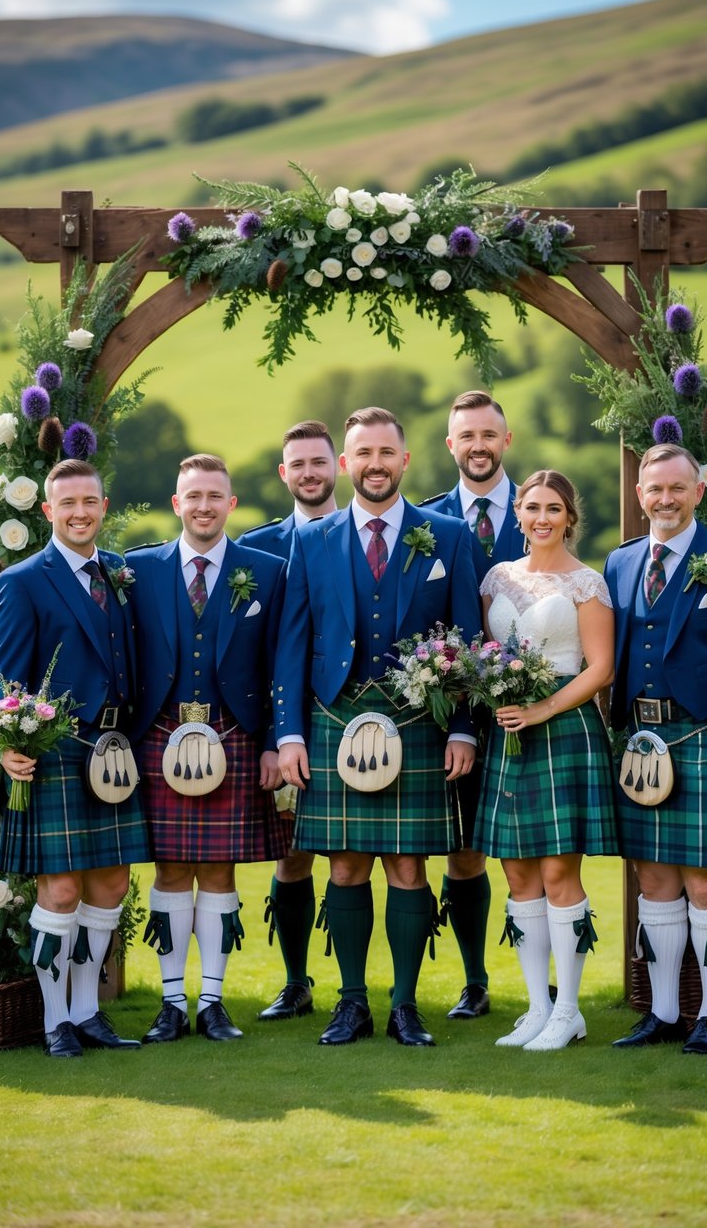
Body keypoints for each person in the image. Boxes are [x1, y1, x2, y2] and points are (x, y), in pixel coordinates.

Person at [276, 407, 481, 1047]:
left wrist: (463, 729)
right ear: (346, 463)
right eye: (362, 454)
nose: (374, 465)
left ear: (406, 460)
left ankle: (406, 1005)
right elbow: (291, 643)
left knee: (408, 869)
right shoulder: (311, 541)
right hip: (335, 718)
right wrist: (289, 735)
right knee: (343, 868)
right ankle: (352, 1002)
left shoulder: (447, 535)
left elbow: (470, 638)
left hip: (418, 720)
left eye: (386, 453)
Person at [127, 453, 290, 1044]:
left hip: (235, 736)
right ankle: (172, 1004)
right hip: (160, 736)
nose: (203, 506)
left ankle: (213, 1003)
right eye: (192, 496)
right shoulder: (138, 571)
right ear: (177, 503)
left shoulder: (266, 571)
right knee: (171, 869)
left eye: (214, 496)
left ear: (231, 503)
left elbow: (280, 662)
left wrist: (274, 742)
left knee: (219, 870)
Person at [606, 443, 707, 1055]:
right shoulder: (620, 564)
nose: (664, 499)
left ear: (699, 493)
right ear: (640, 495)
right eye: (654, 489)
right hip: (639, 740)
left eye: (677, 488)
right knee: (654, 881)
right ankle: (664, 1011)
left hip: (702, 738)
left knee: (705, 883)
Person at [0, 459, 150, 1058]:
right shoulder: (24, 580)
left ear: (103, 507)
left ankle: (88, 1012)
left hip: (115, 752)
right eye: (69, 504)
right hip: (57, 753)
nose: (81, 512)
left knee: (111, 884)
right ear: (48, 511)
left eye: (90, 501)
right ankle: (55, 1019)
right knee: (58, 891)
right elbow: (4, 675)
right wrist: (7, 741)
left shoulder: (119, 573)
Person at [473, 470, 617, 1049]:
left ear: (569, 517)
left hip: (565, 732)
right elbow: (483, 653)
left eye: (553, 508)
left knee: (559, 871)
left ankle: (568, 1010)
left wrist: (540, 710)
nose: (541, 517)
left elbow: (600, 668)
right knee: (517, 872)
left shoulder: (588, 584)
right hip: (507, 731)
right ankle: (536, 1008)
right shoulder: (496, 578)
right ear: (518, 515)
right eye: (531, 507)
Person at [424, 391, 523, 1021]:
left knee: (533, 851)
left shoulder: (542, 511)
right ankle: (475, 979)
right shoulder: (425, 521)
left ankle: (550, 990)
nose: (479, 446)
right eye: (468, 436)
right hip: (448, 712)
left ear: (505, 440)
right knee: (463, 847)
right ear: (450, 445)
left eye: (489, 435)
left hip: (527, 709)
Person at [238, 420, 338, 1022]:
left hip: (352, 722)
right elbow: (252, 652)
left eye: (318, 462)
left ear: (338, 468)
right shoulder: (256, 549)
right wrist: (275, 736)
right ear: (284, 473)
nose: (309, 473)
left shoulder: (360, 537)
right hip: (284, 733)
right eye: (297, 463)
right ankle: (295, 983)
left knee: (369, 855)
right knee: (292, 854)